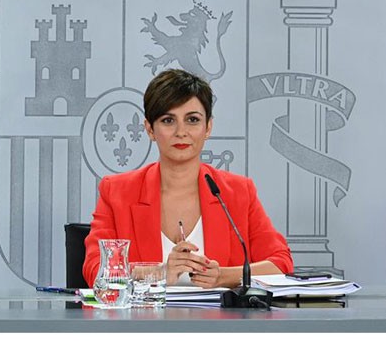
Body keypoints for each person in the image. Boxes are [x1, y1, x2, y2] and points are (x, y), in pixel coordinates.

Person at [82, 69, 293, 288]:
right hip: (144, 321)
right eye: (168, 120)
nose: (181, 132)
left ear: (208, 127)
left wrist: (223, 276)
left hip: (221, 322)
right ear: (150, 129)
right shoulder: (117, 191)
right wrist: (160, 273)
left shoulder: (237, 192)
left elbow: (280, 264)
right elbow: (96, 269)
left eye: (192, 120)